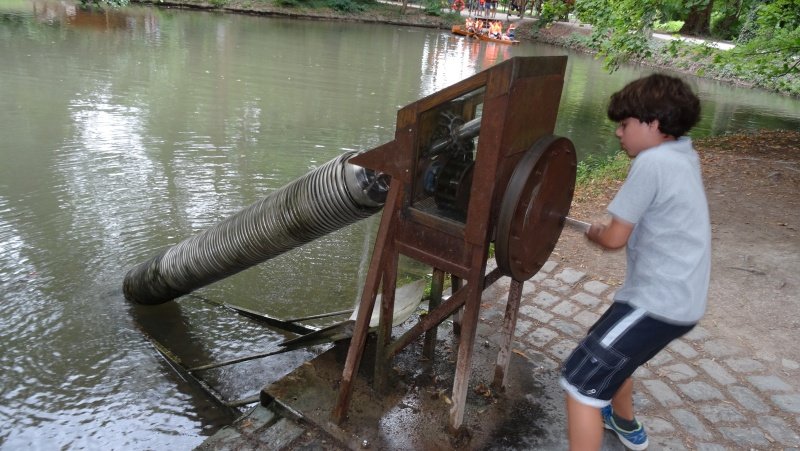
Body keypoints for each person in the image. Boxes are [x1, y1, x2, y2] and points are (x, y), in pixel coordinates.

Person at [559, 73, 710, 451]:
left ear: (653, 124)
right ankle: (625, 422)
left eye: (625, 124)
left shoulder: (652, 162)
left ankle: (606, 420)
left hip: (657, 303)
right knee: (613, 355)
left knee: (579, 384)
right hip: (680, 299)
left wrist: (597, 232)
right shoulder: (683, 154)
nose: (618, 133)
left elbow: (614, 238)